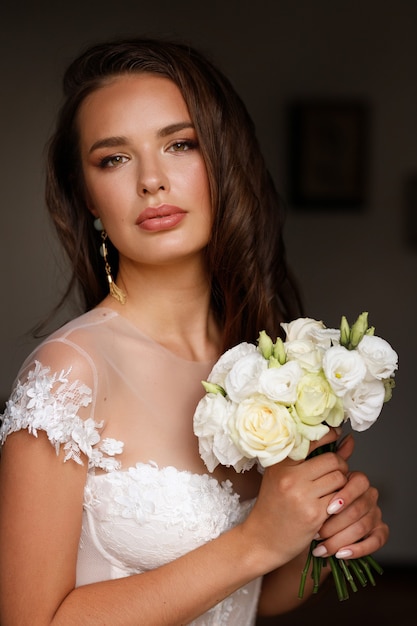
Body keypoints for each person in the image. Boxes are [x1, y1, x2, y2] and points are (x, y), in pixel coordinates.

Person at [0, 38, 388, 625]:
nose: (152, 180)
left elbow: (257, 597)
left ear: (225, 163)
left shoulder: (264, 365)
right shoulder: (71, 372)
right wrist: (255, 540)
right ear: (89, 200)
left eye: (181, 144)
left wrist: (323, 537)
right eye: (114, 158)